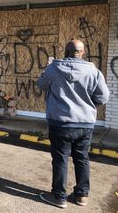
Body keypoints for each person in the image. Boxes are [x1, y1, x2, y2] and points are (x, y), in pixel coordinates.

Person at [37, 39, 109, 209]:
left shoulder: (54, 68)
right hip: (84, 123)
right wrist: (87, 105)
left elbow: (41, 84)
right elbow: (103, 97)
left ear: (66, 52)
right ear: (82, 52)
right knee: (82, 158)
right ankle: (82, 196)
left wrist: (47, 69)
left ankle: (59, 197)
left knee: (60, 159)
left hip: (60, 123)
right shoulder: (94, 71)